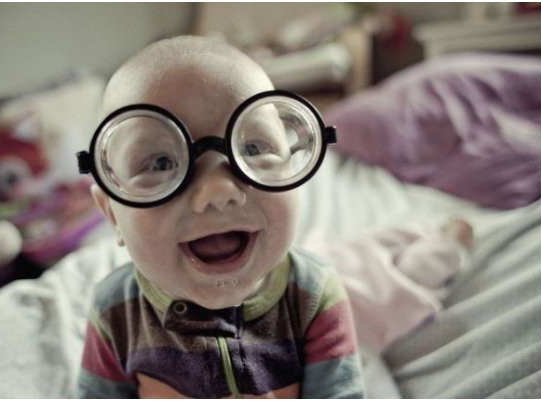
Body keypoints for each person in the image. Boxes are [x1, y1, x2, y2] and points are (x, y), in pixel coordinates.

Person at [77, 35, 365, 398]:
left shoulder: (314, 295)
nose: (218, 190)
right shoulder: (116, 311)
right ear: (113, 215)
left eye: (253, 147)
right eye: (161, 163)